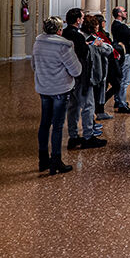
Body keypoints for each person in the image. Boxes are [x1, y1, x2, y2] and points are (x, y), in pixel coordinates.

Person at [32, 15, 83, 175]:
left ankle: (43, 160)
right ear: (59, 30)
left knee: (44, 124)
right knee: (58, 126)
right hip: (60, 89)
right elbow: (76, 70)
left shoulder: (38, 43)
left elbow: (34, 65)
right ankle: (55, 160)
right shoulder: (64, 46)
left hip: (44, 88)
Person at [64, 8, 106, 151]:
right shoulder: (78, 36)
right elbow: (83, 54)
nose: (82, 20)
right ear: (77, 20)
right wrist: (93, 46)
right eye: (81, 18)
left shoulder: (64, 33)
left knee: (73, 107)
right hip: (82, 75)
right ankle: (88, 136)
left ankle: (73, 136)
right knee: (88, 106)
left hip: (69, 76)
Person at [110, 7, 130, 114]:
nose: (126, 13)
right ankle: (121, 103)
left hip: (122, 53)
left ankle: (119, 100)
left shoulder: (116, 25)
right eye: (124, 11)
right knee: (125, 80)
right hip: (125, 53)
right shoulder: (120, 26)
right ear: (119, 13)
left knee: (121, 79)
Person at [93, 13, 117, 121]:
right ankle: (99, 108)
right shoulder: (97, 36)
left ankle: (99, 107)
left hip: (106, 64)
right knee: (104, 87)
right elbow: (107, 49)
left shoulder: (103, 34)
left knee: (105, 87)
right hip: (103, 64)